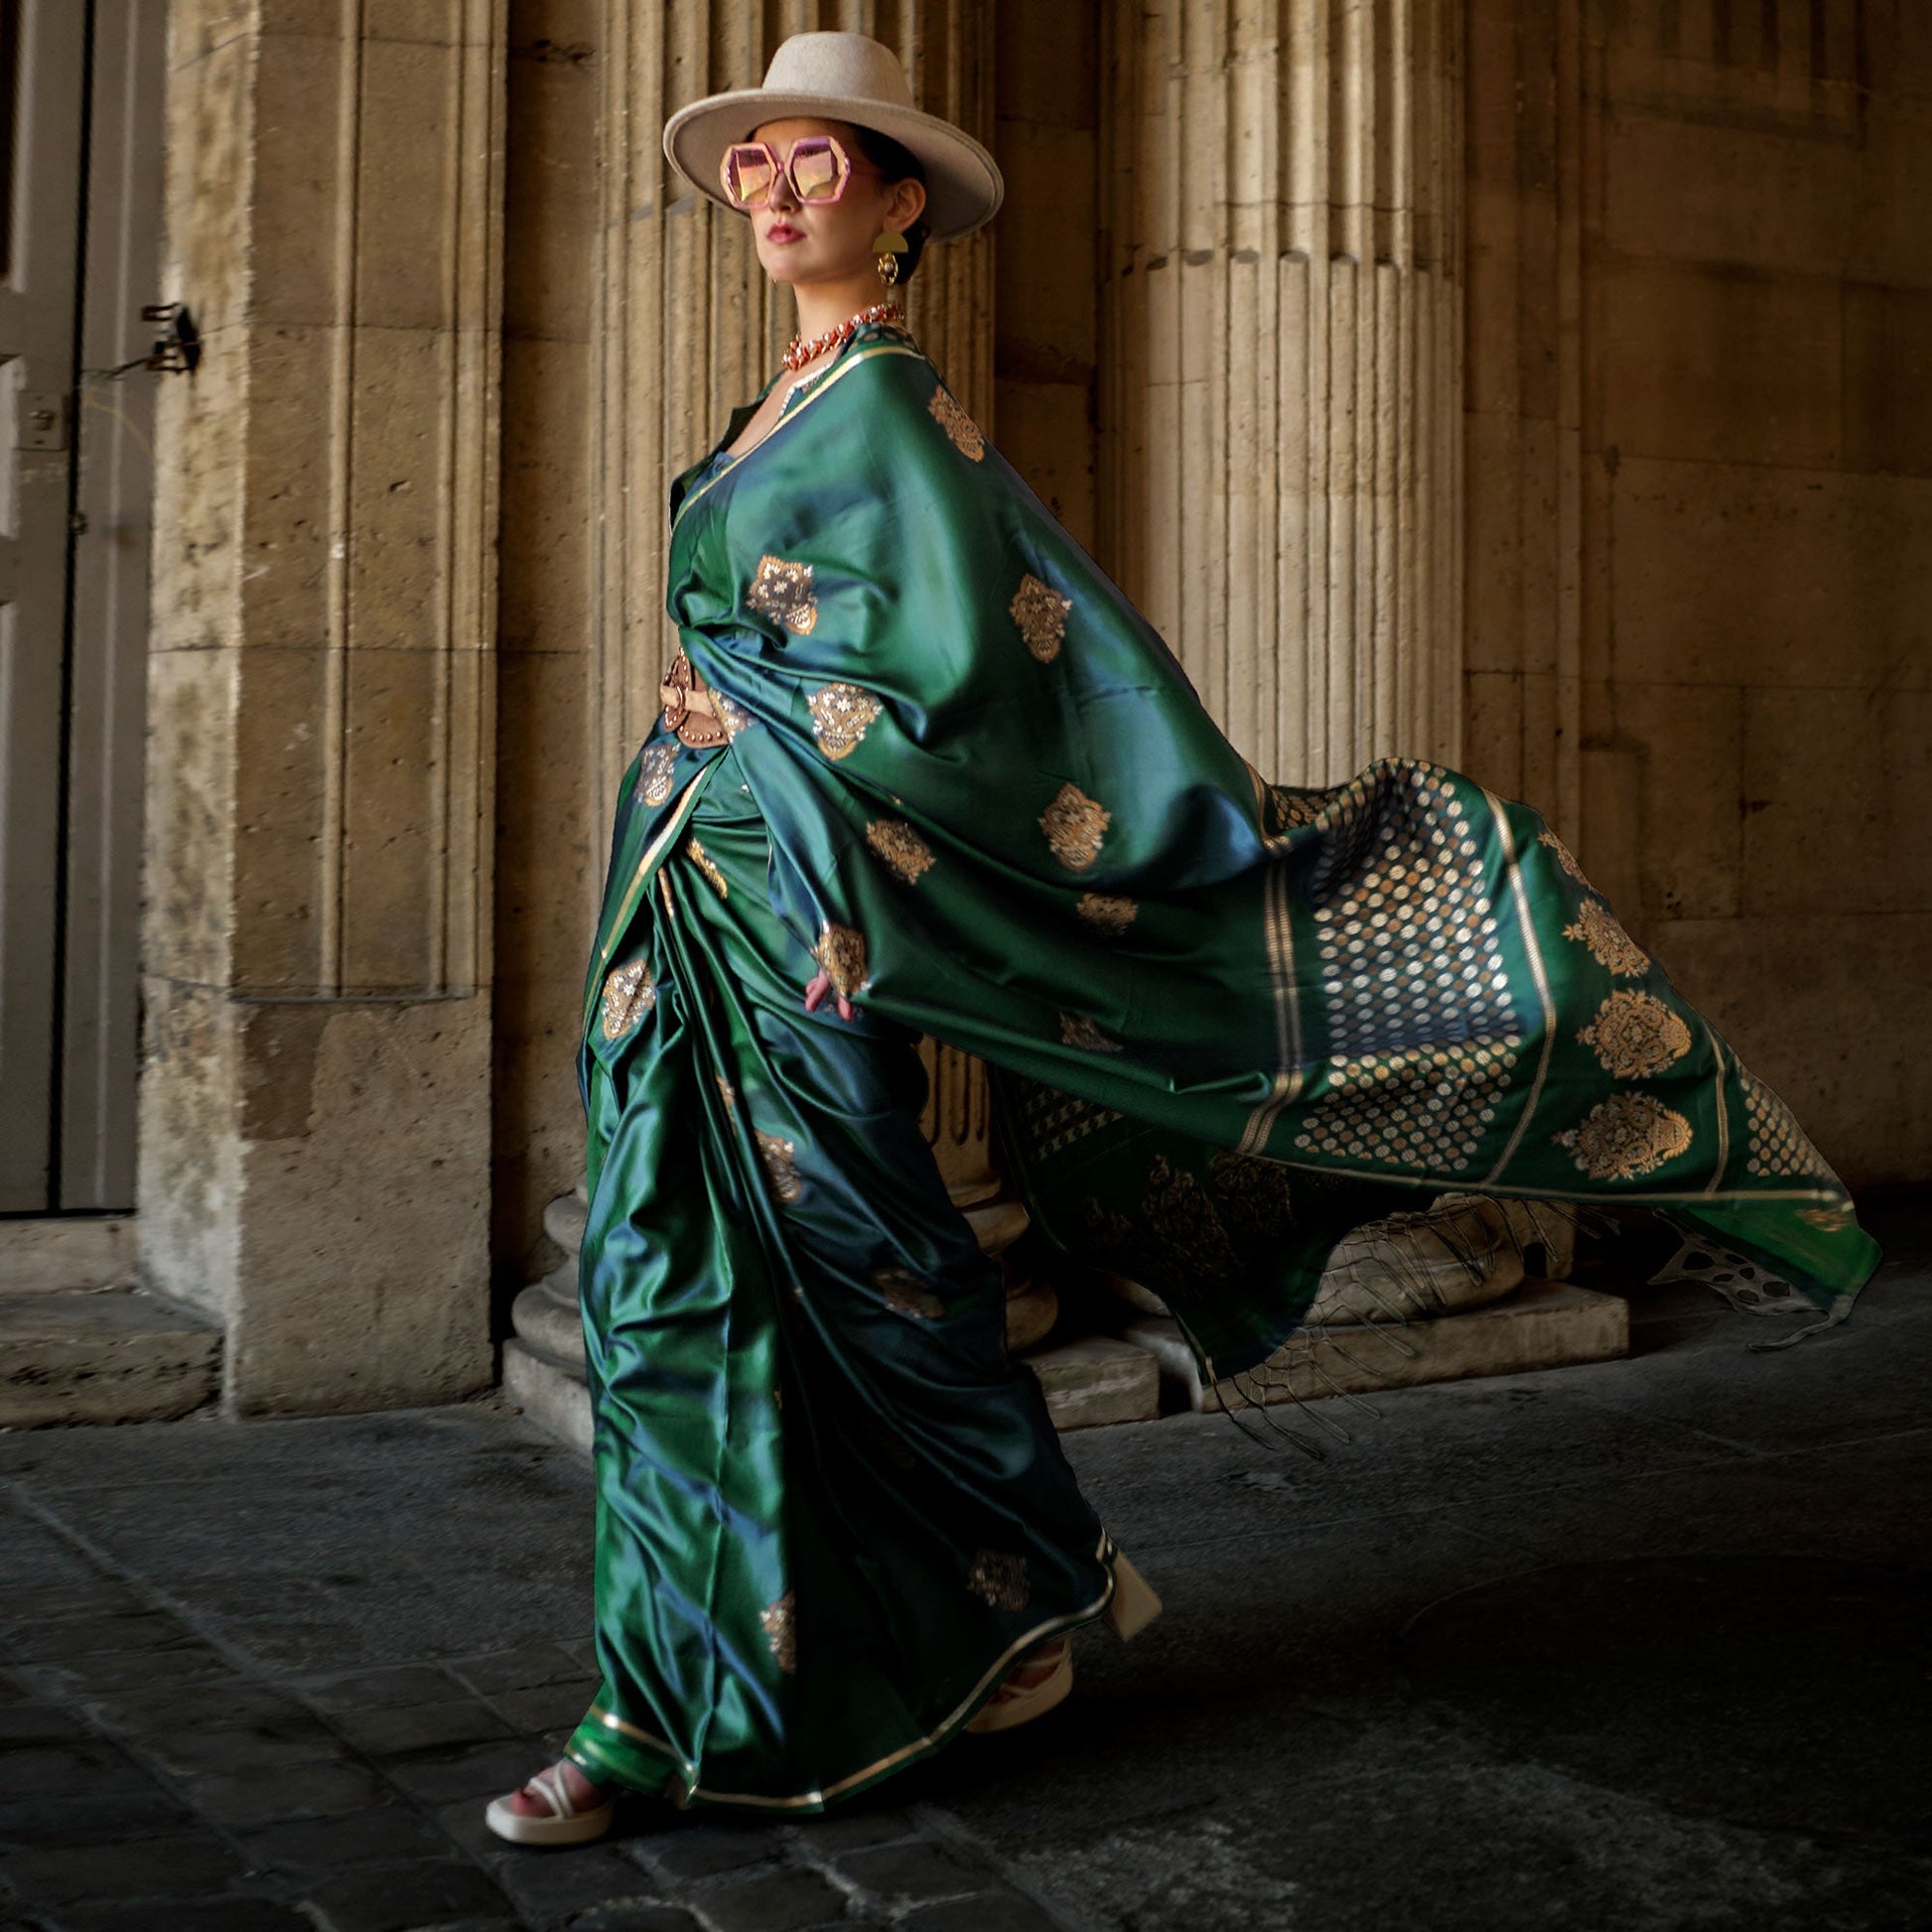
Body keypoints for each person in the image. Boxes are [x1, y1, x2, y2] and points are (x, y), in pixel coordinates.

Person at [485, 32, 1878, 1846]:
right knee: (679, 1269)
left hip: (796, 907)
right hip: (681, 891)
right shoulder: (772, 399)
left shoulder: (892, 411)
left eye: (812, 159)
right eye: (751, 162)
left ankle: (851, 1645)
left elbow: (969, 679)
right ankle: (816, 1646)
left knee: (851, 1264)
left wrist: (840, 869)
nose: (771, 186)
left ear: (899, 201)